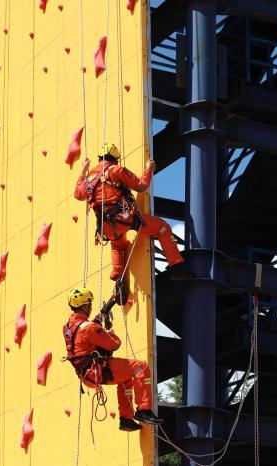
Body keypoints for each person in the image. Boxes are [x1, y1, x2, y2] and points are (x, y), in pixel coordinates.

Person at [73, 143, 187, 284]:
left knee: (117, 244)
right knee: (162, 227)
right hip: (123, 218)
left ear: (99, 159)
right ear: (115, 159)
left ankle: (118, 278)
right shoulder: (116, 170)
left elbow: (78, 195)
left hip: (104, 227)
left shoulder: (88, 180)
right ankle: (177, 267)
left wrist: (83, 172)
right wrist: (149, 170)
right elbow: (140, 185)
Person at [63, 287, 162, 431]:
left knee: (126, 379)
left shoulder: (68, 327)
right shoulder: (89, 328)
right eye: (89, 304)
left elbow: (89, 328)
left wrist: (111, 302)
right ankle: (144, 410)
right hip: (98, 370)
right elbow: (113, 345)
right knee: (140, 368)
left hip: (87, 374)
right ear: (85, 306)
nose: (90, 307)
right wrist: (110, 332)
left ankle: (126, 419)